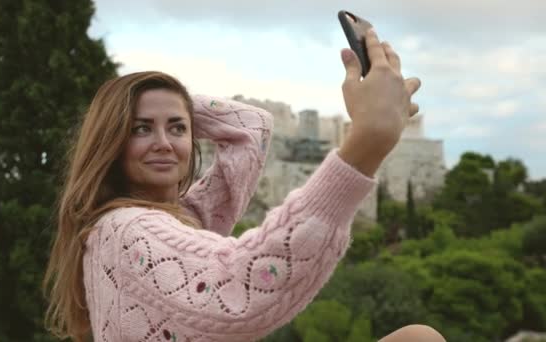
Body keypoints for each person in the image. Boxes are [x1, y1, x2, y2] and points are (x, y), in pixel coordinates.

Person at [43, 29, 446, 342]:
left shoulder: (188, 216)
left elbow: (252, 128)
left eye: (177, 128)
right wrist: (367, 143)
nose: (164, 143)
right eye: (140, 129)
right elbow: (239, 287)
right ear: (111, 141)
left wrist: (168, 101)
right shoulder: (125, 229)